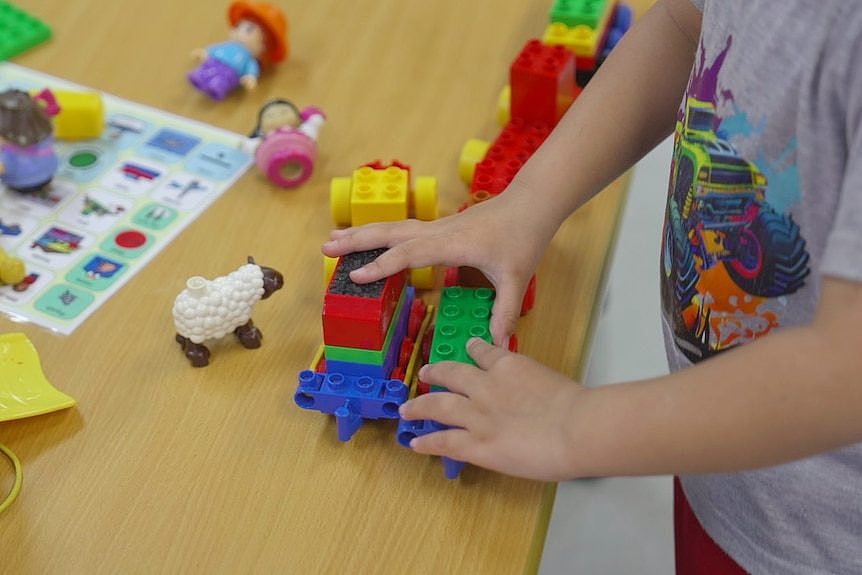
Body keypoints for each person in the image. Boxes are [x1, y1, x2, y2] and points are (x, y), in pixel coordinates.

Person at [322, 0, 862, 572]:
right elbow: (687, 22)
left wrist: (573, 426)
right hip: (713, 452)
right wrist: (528, 204)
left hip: (809, 536)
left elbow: (845, 371)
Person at [188, 1, 288, 101]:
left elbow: (251, 69)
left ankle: (216, 88)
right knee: (203, 71)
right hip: (213, 62)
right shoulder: (227, 45)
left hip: (229, 73)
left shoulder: (249, 59)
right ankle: (198, 77)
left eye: (249, 30)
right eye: (237, 26)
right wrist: (203, 53)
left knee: (220, 81)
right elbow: (214, 49)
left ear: (263, 47)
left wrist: (250, 78)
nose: (239, 32)